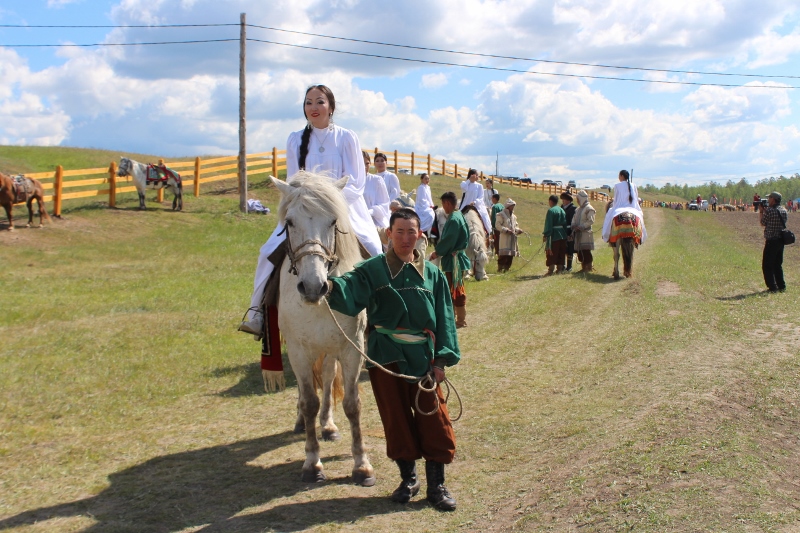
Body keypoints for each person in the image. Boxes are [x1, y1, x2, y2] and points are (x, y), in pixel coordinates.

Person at [326, 208, 460, 511]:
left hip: (424, 358)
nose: (404, 238)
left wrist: (441, 361)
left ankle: (436, 486)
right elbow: (350, 288)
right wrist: (332, 286)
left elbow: (445, 319)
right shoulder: (372, 269)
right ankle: (408, 479)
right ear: (389, 234)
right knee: (395, 418)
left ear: (420, 236)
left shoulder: (433, 273)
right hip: (386, 355)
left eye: (411, 232)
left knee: (434, 419)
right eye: (399, 231)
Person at [239, 85, 382, 338]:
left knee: (374, 248)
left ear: (331, 106)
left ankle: (382, 314)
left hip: (343, 208)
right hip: (305, 211)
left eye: (319, 102)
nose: (313, 108)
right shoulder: (295, 139)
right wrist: (305, 203)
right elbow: (293, 181)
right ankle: (257, 312)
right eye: (308, 103)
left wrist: (329, 203)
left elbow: (357, 182)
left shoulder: (347, 137)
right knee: (266, 252)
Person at [430, 191, 471, 328]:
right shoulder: (459, 215)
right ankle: (453, 318)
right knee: (452, 288)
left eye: (443, 204)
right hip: (456, 258)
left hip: (454, 261)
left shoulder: (453, 219)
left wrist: (437, 252)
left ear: (447, 203)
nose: (443, 207)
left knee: (456, 289)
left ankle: (460, 320)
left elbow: (448, 240)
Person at [601, 170, 648, 245]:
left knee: (608, 215)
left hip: (620, 208)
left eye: (619, 176)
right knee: (640, 217)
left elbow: (616, 199)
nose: (618, 177)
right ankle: (640, 238)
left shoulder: (617, 185)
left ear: (622, 176)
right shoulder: (634, 185)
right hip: (633, 208)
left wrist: (614, 208)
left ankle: (607, 236)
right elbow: (635, 198)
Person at [760, 191, 788, 292]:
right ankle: (781, 285)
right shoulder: (784, 210)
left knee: (767, 264)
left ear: (773, 199)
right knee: (777, 264)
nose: (768, 200)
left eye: (769, 198)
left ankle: (772, 287)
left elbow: (763, 223)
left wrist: (761, 211)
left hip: (771, 241)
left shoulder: (769, 211)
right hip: (781, 241)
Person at [362, 151, 391, 230]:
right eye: (361, 163)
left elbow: (384, 205)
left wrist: (370, 212)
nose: (364, 167)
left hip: (375, 223)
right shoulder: (350, 181)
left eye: (367, 163)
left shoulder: (377, 180)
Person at [459, 169, 491, 234]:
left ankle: (488, 232)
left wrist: (475, 202)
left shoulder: (479, 186)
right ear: (472, 175)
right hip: (465, 205)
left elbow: (481, 197)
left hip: (476, 205)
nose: (477, 177)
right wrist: (469, 180)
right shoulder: (465, 183)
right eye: (476, 175)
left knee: (484, 217)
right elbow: (463, 188)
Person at [495, 198, 523, 272]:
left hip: (512, 238)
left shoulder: (513, 216)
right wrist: (506, 230)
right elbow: (498, 225)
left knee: (510, 254)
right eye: (512, 205)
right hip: (504, 237)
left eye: (513, 205)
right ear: (508, 206)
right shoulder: (501, 215)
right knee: (503, 254)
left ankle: (507, 268)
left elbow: (515, 226)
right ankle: (500, 268)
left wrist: (518, 230)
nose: (513, 207)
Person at [571, 190, 596, 272]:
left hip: (585, 233)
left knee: (585, 250)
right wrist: (574, 225)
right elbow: (574, 219)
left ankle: (588, 267)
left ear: (582, 199)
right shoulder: (578, 209)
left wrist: (582, 226)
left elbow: (591, 220)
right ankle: (583, 267)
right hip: (578, 233)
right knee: (580, 251)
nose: (577, 200)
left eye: (578, 199)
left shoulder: (589, 208)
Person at [542, 194, 567, 275]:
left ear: (550, 201)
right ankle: (559, 269)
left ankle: (551, 270)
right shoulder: (562, 210)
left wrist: (546, 234)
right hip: (562, 234)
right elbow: (565, 224)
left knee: (552, 252)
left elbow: (548, 224)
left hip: (554, 234)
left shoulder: (551, 211)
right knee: (561, 251)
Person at [560, 192, 576, 271]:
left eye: (564, 199)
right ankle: (562, 265)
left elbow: (573, 220)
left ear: (568, 200)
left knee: (570, 248)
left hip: (570, 230)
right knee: (563, 248)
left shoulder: (573, 208)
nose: (563, 200)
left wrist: (572, 232)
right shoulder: (561, 207)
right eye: (562, 199)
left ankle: (569, 266)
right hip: (562, 230)